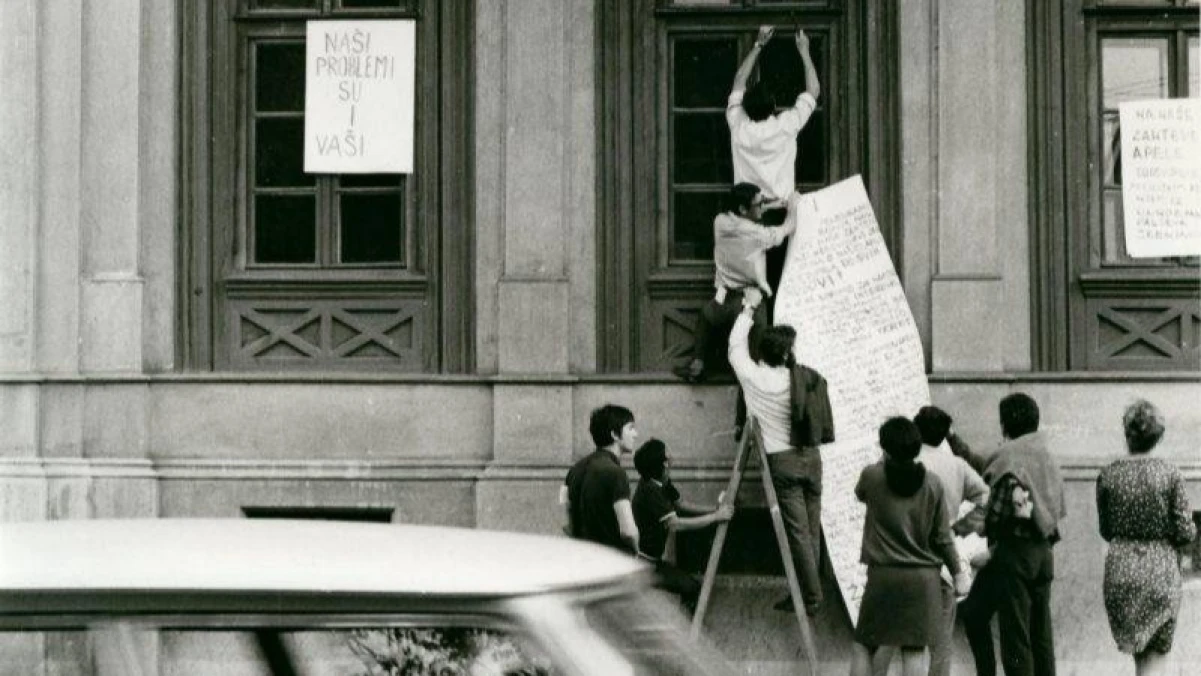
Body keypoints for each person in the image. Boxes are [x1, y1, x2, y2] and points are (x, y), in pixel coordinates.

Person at [726, 298, 826, 615]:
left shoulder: (753, 378)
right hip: (811, 457)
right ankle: (808, 591)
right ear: (785, 353)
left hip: (782, 461)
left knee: (797, 533)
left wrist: (748, 309)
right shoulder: (801, 378)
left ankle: (810, 598)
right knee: (810, 529)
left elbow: (734, 346)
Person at [956, 393, 1066, 676]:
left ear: (1005, 424)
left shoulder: (1009, 457)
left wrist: (969, 528)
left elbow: (995, 515)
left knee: (1014, 636)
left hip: (1013, 556)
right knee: (1039, 632)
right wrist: (958, 445)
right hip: (1043, 553)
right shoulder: (1045, 454)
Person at [850, 417, 971, 676]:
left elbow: (859, 493)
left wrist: (884, 458)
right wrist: (958, 572)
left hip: (883, 577)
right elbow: (942, 538)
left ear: (884, 448)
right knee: (914, 650)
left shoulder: (872, 476)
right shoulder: (933, 483)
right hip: (923, 582)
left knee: (865, 645)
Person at [875, 406, 990, 676]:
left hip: (902, 556)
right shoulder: (958, 466)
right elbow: (987, 499)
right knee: (941, 642)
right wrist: (960, 527)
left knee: (890, 634)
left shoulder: (903, 463)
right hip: (944, 559)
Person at [1096, 400, 1196, 676]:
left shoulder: (1108, 474)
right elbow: (1186, 531)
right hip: (1159, 570)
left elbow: (1105, 529)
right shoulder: (1170, 474)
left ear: (1127, 434)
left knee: (1140, 657)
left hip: (1120, 570)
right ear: (1159, 436)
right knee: (1157, 658)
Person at [727, 24, 821, 309]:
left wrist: (758, 44)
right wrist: (804, 51)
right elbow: (813, 90)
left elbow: (738, 83)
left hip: (748, 215)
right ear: (775, 105)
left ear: (746, 109)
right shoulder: (786, 126)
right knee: (784, 289)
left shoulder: (739, 127)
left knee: (752, 293)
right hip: (782, 215)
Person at [674, 183, 797, 382]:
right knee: (754, 361)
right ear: (742, 209)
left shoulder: (720, 222)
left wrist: (770, 204)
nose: (761, 207)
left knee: (705, 318)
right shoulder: (758, 234)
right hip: (751, 302)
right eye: (758, 204)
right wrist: (793, 206)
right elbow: (787, 228)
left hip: (722, 301)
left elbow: (747, 217)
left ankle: (697, 363)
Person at [631, 438, 734, 612]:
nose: (671, 456)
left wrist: (715, 509)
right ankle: (687, 632)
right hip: (645, 565)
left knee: (691, 586)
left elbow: (682, 504)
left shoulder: (661, 481)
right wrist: (716, 517)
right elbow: (675, 524)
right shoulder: (650, 490)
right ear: (663, 463)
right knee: (692, 588)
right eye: (667, 454)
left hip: (653, 561)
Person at [562, 404, 640, 555]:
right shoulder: (616, 473)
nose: (635, 434)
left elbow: (568, 526)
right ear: (615, 435)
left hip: (585, 562)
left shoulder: (573, 471)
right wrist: (637, 554)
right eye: (631, 428)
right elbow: (628, 531)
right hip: (614, 560)